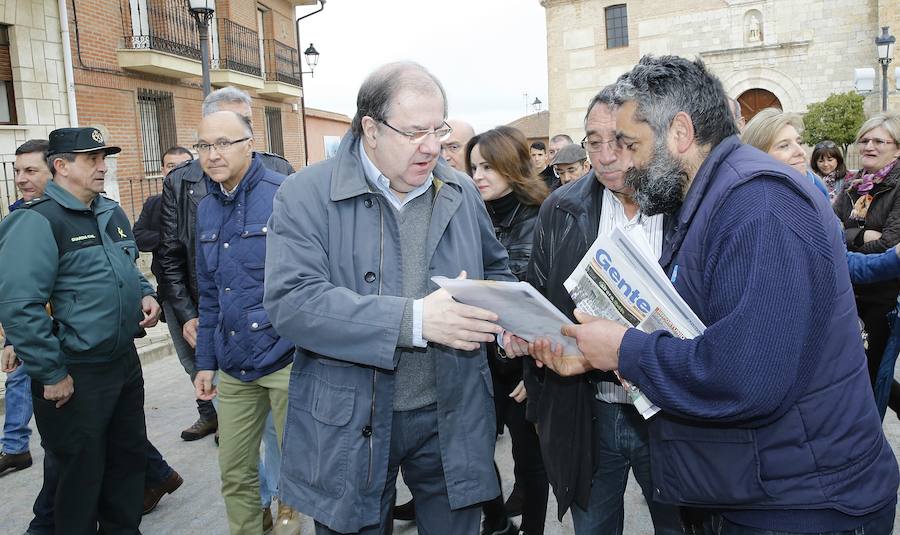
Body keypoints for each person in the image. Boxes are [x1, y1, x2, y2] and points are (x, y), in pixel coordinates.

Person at [525, 55, 898, 534]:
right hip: (765, 487)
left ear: (679, 132)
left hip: (804, 503)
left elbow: (746, 376)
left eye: (632, 144)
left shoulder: (757, 203)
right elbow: (702, 336)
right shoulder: (719, 196)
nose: (626, 164)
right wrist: (598, 356)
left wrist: (624, 349)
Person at [264, 61, 515, 535]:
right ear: (371, 129)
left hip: (451, 413)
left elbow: (495, 271)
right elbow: (292, 302)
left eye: (438, 129)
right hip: (349, 421)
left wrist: (507, 324)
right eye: (415, 131)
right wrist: (414, 321)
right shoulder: (305, 195)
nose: (433, 145)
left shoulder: (458, 189)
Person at [517, 86, 682, 535]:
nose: (607, 156)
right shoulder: (560, 208)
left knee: (681, 524)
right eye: (594, 142)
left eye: (622, 141)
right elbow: (539, 296)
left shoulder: (685, 204)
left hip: (667, 416)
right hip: (586, 412)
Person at [0, 127, 162, 534]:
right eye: (92, 159)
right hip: (76, 373)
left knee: (126, 467)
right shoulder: (37, 222)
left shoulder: (109, 212)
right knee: (78, 482)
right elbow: (21, 306)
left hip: (123, 364)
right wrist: (51, 373)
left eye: (103, 158)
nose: (102, 167)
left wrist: (146, 295)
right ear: (61, 166)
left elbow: (130, 268)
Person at [158, 86, 297, 530]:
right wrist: (205, 363)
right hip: (234, 366)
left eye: (223, 143)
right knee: (234, 473)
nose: (212, 154)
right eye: (203, 145)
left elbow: (312, 282)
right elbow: (213, 292)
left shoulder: (286, 194)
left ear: (249, 144)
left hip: (286, 360)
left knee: (295, 476)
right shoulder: (207, 208)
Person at [465, 125, 549, 535]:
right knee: (475, 454)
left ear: (511, 166)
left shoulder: (542, 217)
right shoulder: (468, 215)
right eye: (474, 166)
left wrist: (538, 370)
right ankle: (498, 523)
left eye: (488, 167)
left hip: (527, 362)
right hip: (479, 356)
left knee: (530, 460)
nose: (478, 175)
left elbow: (551, 300)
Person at [834, 112, 900, 419]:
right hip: (850, 293)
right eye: (864, 140)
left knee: (872, 374)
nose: (869, 146)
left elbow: (890, 246)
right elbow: (831, 236)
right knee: (854, 371)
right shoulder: (853, 184)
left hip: (884, 298)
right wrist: (861, 234)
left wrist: (850, 237)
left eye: (878, 141)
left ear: (897, 148)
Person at [0, 140, 52, 478]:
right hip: (29, 325)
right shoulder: (18, 215)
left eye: (30, 170)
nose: (20, 178)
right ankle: (16, 446)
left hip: (63, 328)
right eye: (17, 171)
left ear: (56, 169)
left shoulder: (71, 212)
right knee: (18, 378)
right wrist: (10, 335)